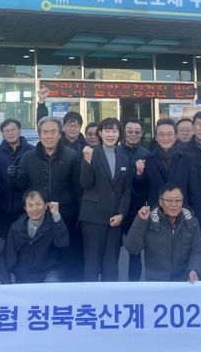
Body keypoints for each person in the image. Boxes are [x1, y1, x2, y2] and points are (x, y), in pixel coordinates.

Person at [8, 116, 82, 280]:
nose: (49, 136)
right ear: (39, 134)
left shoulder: (71, 156)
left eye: (53, 132)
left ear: (60, 134)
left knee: (69, 258)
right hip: (38, 217)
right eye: (45, 132)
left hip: (66, 216)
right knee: (42, 261)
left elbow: (78, 188)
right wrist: (13, 178)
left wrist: (80, 216)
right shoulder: (28, 157)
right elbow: (21, 188)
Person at [79, 118, 130, 281]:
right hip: (93, 218)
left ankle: (111, 296)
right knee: (92, 265)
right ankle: (92, 296)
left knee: (111, 266)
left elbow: (126, 190)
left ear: (119, 134)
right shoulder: (91, 153)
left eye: (114, 131)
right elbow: (85, 183)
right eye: (107, 131)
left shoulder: (123, 157)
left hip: (114, 220)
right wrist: (87, 162)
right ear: (100, 133)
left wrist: (121, 213)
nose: (111, 134)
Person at [124, 184, 201, 282]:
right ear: (161, 202)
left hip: (183, 282)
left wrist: (194, 270)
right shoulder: (149, 220)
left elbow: (197, 251)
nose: (174, 205)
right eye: (169, 200)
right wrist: (140, 221)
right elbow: (132, 249)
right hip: (156, 282)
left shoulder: (191, 222)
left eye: (178, 200)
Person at [134, 118, 201, 218]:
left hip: (181, 215)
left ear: (175, 136)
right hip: (156, 215)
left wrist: (196, 219)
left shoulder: (187, 159)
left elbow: (194, 192)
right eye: (161, 134)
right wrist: (139, 174)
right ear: (156, 137)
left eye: (169, 134)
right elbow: (140, 192)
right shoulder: (147, 160)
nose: (165, 138)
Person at [0, 118, 34, 239]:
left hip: (24, 208)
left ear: (20, 131)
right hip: (2, 207)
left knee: (23, 240)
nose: (10, 133)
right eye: (6, 130)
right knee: (2, 240)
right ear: (2, 134)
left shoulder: (31, 151)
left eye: (13, 129)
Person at [5, 190, 69, 283]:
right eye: (30, 205)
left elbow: (63, 243)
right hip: (23, 273)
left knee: (53, 283)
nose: (34, 209)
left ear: (46, 206)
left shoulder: (54, 224)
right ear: (25, 208)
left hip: (48, 271)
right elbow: (10, 257)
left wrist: (56, 215)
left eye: (38, 204)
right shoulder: (16, 228)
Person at [121, 118, 150, 281]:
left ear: (141, 134)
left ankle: (134, 287)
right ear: (124, 132)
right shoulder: (115, 152)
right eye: (130, 131)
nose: (133, 134)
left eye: (137, 132)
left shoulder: (147, 155)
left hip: (136, 209)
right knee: (111, 251)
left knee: (135, 251)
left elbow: (148, 183)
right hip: (116, 208)